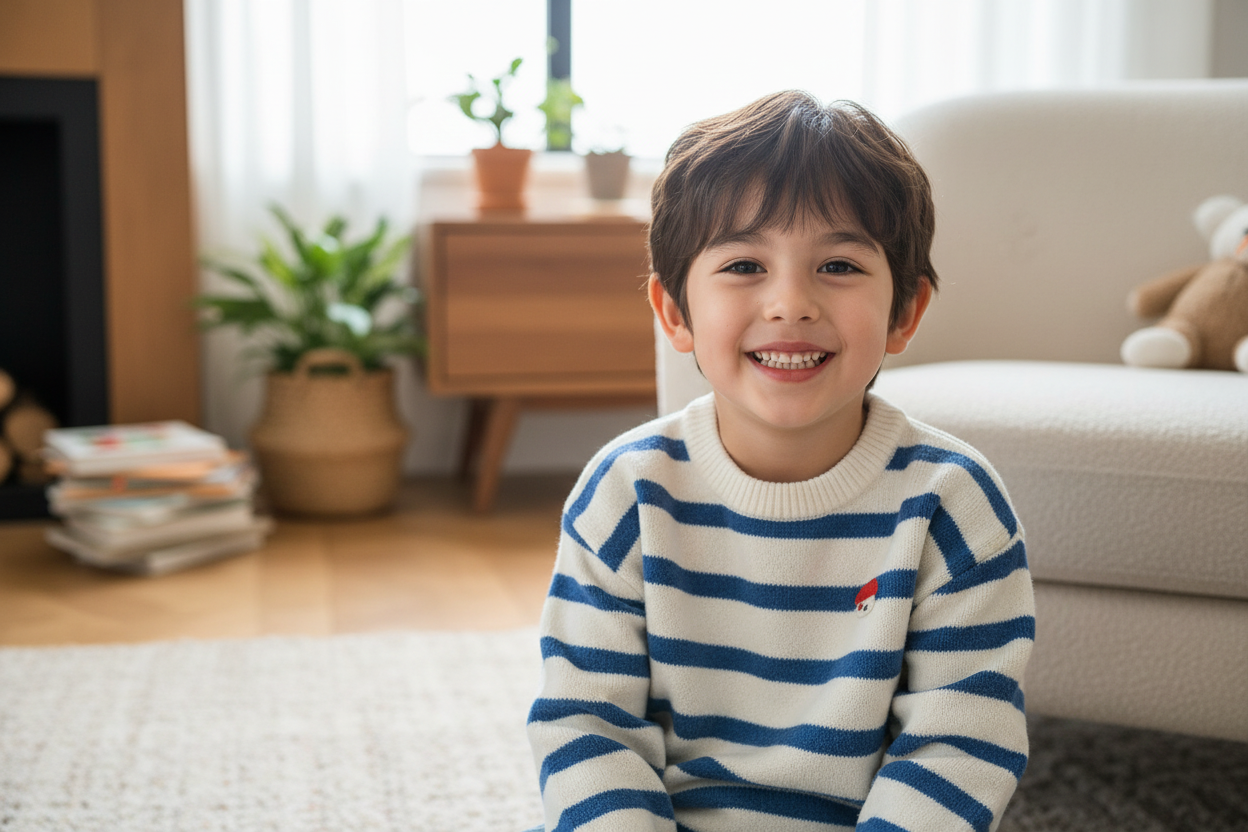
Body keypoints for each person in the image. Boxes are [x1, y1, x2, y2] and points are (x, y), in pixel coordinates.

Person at [525, 90, 1034, 832]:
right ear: (675, 313)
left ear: (905, 314)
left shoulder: (953, 503)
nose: (790, 303)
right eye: (742, 265)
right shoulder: (626, 491)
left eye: (837, 265)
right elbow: (586, 725)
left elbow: (958, 743)